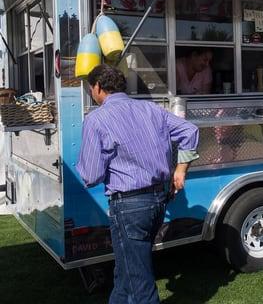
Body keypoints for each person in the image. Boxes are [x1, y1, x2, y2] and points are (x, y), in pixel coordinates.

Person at [76, 64, 199, 304]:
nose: (91, 93)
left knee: (139, 283)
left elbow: (91, 176)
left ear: (98, 87)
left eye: (91, 88)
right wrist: (180, 170)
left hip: (129, 206)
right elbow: (190, 131)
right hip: (158, 201)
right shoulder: (150, 109)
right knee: (126, 272)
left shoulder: (96, 119)